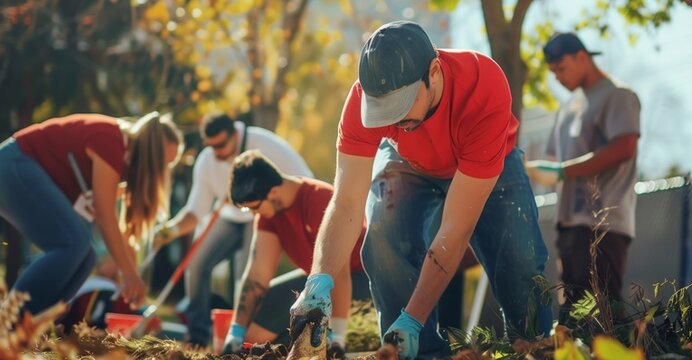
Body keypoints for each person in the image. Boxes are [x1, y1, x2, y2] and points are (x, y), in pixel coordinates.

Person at [289, 21, 552, 359]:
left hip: (489, 160)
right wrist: (319, 280)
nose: (393, 120)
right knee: (383, 235)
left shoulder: (483, 86)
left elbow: (454, 232)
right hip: (409, 161)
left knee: (520, 260)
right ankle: (415, 352)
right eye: (383, 110)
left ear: (434, 71)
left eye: (401, 104)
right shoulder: (360, 102)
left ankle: (533, 349)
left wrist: (414, 316)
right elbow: (346, 203)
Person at [0, 112, 183, 315]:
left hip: (13, 173)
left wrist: (131, 275)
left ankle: (39, 322)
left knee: (86, 256)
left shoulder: (124, 161)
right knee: (73, 244)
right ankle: (10, 323)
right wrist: (129, 274)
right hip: (9, 167)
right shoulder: (112, 140)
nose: (163, 172)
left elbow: (118, 223)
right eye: (164, 163)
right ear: (152, 153)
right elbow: (105, 215)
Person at [152, 112, 313, 346]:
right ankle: (197, 335)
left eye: (221, 144)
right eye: (211, 146)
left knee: (244, 277)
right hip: (228, 217)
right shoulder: (207, 161)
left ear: (235, 134)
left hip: (261, 217)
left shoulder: (265, 144)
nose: (216, 151)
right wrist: (172, 230)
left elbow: (303, 178)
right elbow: (196, 210)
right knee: (195, 263)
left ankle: (244, 336)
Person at [526, 32, 640, 323]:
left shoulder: (618, 95)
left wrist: (563, 171)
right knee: (575, 314)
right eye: (552, 72)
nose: (558, 78)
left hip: (603, 224)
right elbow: (553, 160)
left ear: (581, 56)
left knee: (604, 311)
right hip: (569, 223)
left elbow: (624, 146)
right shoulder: (568, 107)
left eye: (561, 69)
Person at [220, 150, 369, 353]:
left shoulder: (319, 199)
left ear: (273, 192)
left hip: (360, 281)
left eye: (253, 207)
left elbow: (340, 273)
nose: (253, 213)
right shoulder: (268, 214)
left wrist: (338, 338)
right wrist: (235, 332)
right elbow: (257, 275)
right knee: (255, 333)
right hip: (317, 282)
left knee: (278, 329)